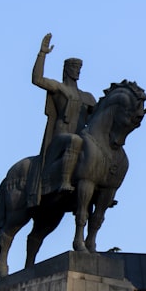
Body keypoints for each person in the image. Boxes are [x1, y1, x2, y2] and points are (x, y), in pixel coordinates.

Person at [32, 33, 96, 194]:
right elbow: (37, 79)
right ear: (66, 70)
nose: (77, 72)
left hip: (82, 135)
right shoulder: (59, 88)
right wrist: (42, 54)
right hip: (61, 137)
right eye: (74, 68)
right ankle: (65, 181)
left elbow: (99, 116)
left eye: (79, 69)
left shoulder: (87, 96)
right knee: (74, 141)